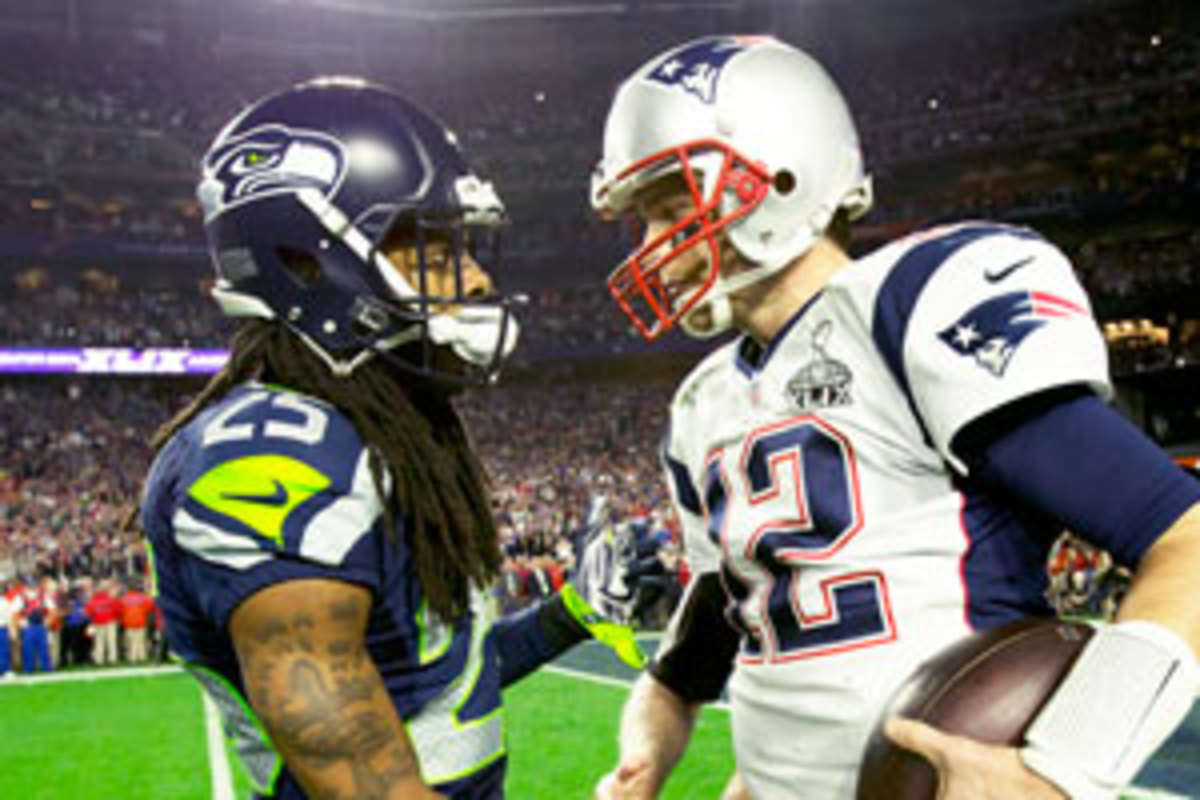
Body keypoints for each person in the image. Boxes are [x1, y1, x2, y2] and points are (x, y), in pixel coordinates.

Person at [588, 35, 1200, 799]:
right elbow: (718, 638)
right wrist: (656, 752)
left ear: (781, 177)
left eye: (672, 211)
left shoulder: (911, 304)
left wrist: (1066, 769)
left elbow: (1186, 538)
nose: (653, 247)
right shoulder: (700, 405)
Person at [132, 78, 641, 800]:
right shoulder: (268, 457)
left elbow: (439, 680)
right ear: (307, 263)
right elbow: (361, 776)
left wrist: (569, 616)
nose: (475, 278)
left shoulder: (378, 438)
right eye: (433, 253)